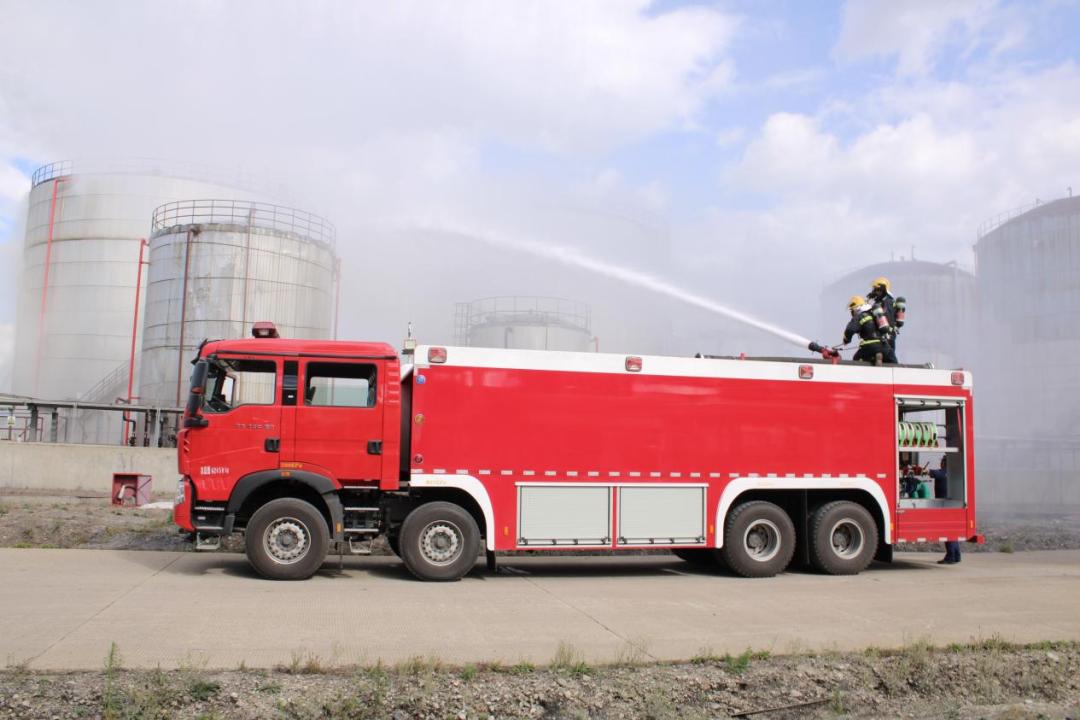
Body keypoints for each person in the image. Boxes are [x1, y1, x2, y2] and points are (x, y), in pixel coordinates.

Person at [842, 295, 898, 365]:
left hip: (869, 346)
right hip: (884, 345)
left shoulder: (859, 316)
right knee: (894, 364)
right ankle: (878, 359)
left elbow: (850, 330)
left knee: (856, 359)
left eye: (852, 311)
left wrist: (846, 340)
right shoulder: (874, 314)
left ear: (856, 308)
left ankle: (874, 358)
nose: (852, 314)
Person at [929, 457, 961, 564]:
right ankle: (957, 556)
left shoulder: (944, 473)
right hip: (953, 505)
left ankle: (950, 557)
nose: (940, 464)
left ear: (944, 463)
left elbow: (935, 473)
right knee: (953, 532)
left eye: (941, 462)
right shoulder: (953, 473)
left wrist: (923, 470)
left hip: (945, 506)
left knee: (948, 532)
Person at [867, 277, 905, 357]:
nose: (875, 292)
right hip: (884, 337)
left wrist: (886, 333)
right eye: (875, 290)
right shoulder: (880, 302)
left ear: (884, 290)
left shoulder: (887, 302)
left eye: (878, 290)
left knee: (889, 361)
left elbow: (888, 319)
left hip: (887, 337)